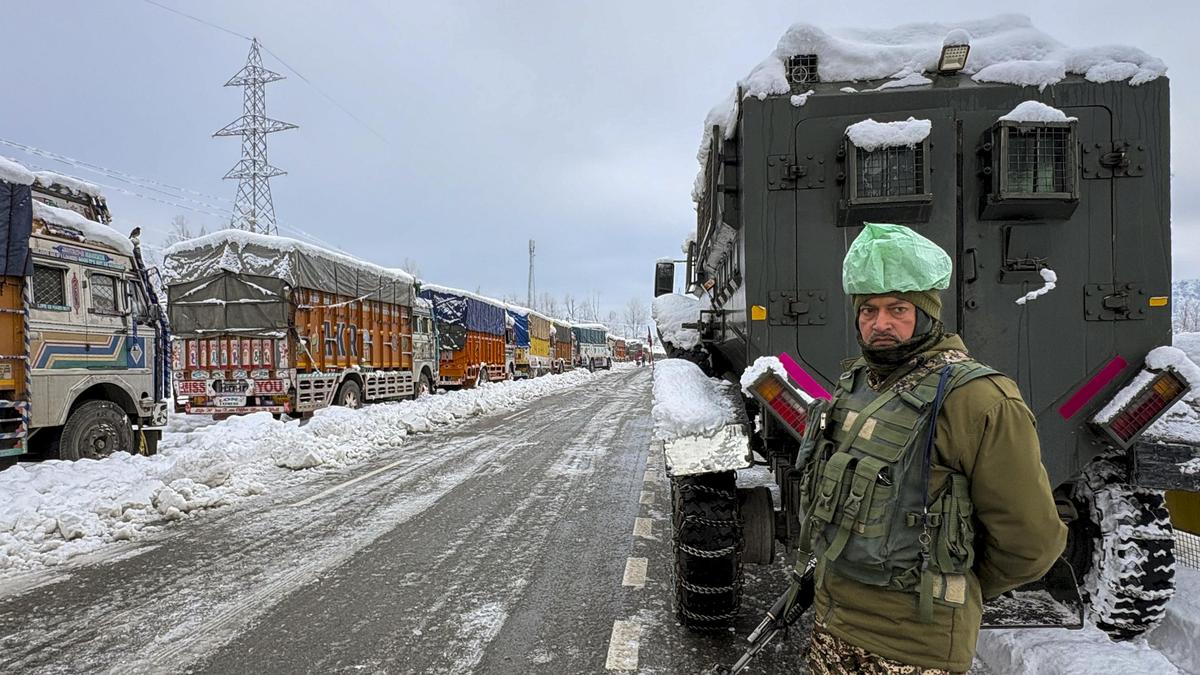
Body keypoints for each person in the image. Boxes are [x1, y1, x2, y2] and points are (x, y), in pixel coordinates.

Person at [797, 223, 1066, 674]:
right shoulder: (857, 387)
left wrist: (956, 582)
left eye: (898, 309)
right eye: (868, 310)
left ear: (926, 313)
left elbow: (1032, 542)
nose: (880, 324)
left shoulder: (978, 399)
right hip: (834, 628)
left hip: (915, 648)